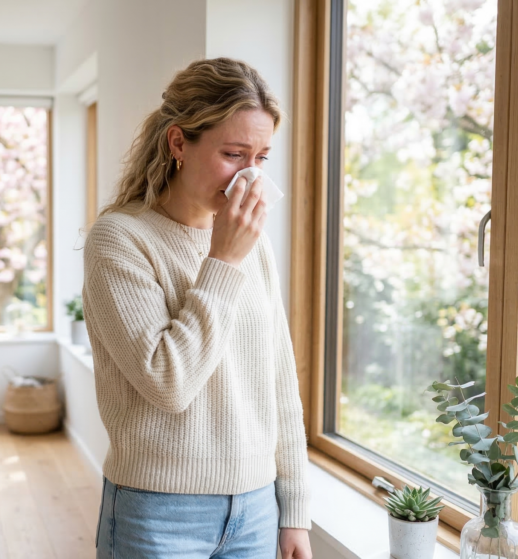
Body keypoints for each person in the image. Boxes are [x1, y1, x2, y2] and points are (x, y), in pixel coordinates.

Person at [81, 57, 314, 559]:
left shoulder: (256, 245)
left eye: (262, 158)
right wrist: (224, 259)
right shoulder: (120, 240)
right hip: (157, 512)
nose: (249, 179)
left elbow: (279, 381)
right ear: (179, 143)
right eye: (233, 154)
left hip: (256, 507)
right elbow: (169, 383)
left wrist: (294, 510)